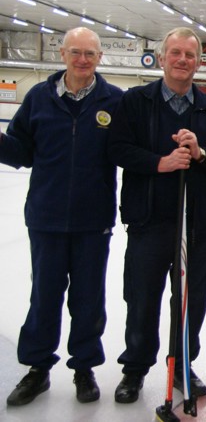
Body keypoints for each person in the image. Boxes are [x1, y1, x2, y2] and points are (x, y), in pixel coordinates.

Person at [108, 27, 206, 403]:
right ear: (161, 57)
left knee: (190, 301)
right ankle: (134, 369)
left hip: (196, 226)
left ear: (199, 62)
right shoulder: (135, 101)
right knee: (142, 298)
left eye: (190, 55)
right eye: (175, 53)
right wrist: (159, 163)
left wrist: (201, 153)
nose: (182, 60)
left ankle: (182, 364)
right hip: (149, 221)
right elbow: (117, 148)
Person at [0, 27, 123, 406]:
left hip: (93, 220)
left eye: (89, 53)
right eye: (75, 52)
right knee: (45, 296)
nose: (82, 59)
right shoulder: (38, 97)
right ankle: (37, 369)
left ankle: (84, 368)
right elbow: (20, 150)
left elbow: (129, 152)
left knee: (88, 299)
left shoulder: (114, 101)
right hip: (46, 217)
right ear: (62, 54)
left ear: (100, 58)